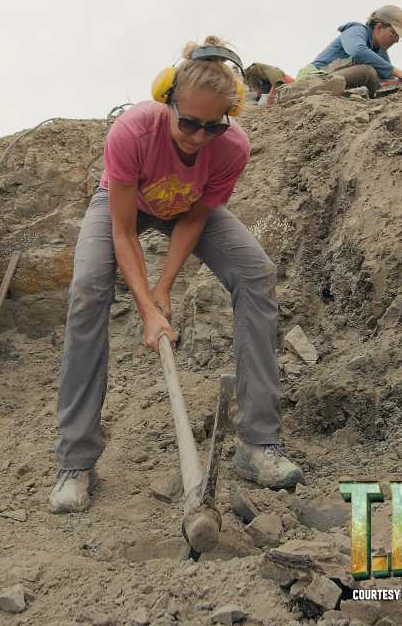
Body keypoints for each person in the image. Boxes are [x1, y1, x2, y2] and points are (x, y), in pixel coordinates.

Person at [50, 38, 303, 514]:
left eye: (212, 126)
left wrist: (165, 287)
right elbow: (123, 232)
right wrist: (147, 307)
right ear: (167, 103)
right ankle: (76, 460)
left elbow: (194, 218)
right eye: (188, 123)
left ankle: (257, 444)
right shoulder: (133, 132)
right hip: (123, 205)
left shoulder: (231, 149)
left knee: (256, 273)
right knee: (88, 289)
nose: (197, 137)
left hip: (183, 209)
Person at [293, 5, 402, 98]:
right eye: (394, 34)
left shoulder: (379, 51)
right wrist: (398, 72)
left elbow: (387, 79)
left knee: (375, 79)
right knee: (368, 72)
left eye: (399, 37)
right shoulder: (357, 31)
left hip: (334, 81)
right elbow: (358, 52)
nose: (396, 40)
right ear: (379, 27)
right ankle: (311, 91)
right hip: (311, 79)